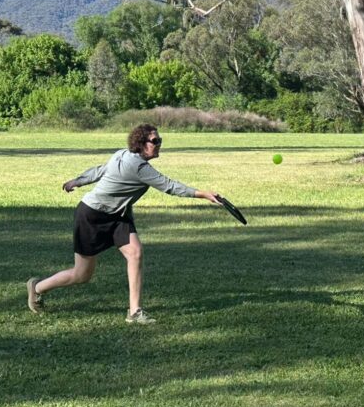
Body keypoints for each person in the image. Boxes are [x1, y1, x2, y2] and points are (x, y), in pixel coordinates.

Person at [26, 124, 222, 324]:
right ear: (141, 144)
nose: (159, 144)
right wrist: (204, 194)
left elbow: (101, 170)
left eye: (159, 140)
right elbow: (169, 186)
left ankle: (135, 311)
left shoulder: (124, 155)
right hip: (92, 215)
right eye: (155, 141)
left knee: (135, 253)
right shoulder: (138, 166)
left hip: (118, 215)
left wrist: (77, 181)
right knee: (82, 274)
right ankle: (37, 288)